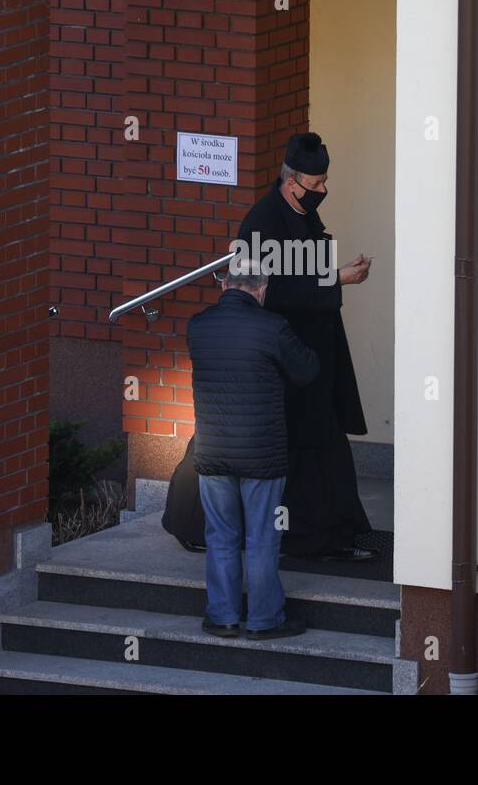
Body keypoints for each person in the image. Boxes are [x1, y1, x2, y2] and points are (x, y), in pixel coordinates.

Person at [237, 131, 376, 561]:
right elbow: (266, 289)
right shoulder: (262, 221)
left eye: (325, 182)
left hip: (316, 356)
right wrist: (337, 279)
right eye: (316, 185)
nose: (323, 191)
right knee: (304, 449)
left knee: (325, 444)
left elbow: (303, 275)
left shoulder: (301, 214)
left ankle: (336, 529)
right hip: (286, 363)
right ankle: (308, 536)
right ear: (292, 180)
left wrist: (336, 273)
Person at [186, 259, 320, 639]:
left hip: (213, 454)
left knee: (220, 537)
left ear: (224, 285)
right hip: (263, 456)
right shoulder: (272, 327)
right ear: (261, 290)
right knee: (262, 537)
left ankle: (223, 617)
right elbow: (307, 370)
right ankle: (264, 620)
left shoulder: (198, 326)